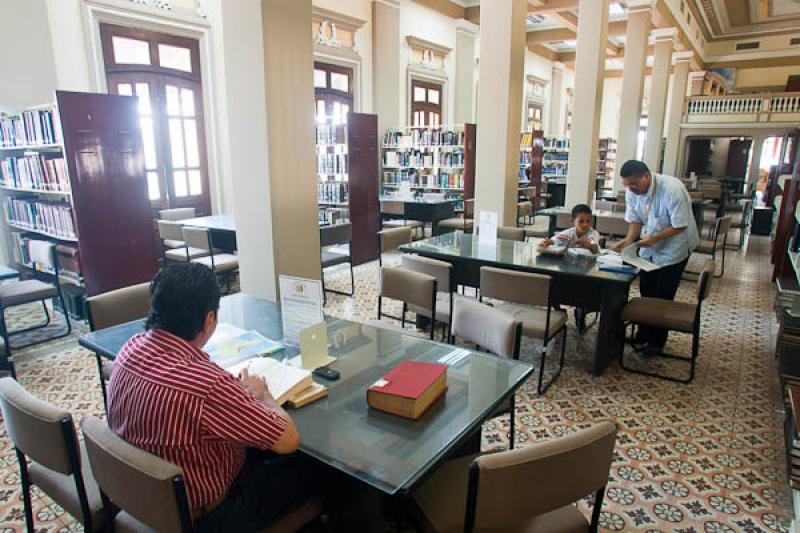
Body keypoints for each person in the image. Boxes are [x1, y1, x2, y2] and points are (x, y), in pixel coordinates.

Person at [106, 263, 315, 532]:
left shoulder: (130, 349)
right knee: (314, 469)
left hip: (144, 498)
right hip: (208, 516)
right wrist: (264, 396)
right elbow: (288, 440)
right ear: (209, 319)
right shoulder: (207, 386)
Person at [611, 160, 699, 355]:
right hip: (650, 246)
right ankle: (643, 335)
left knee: (663, 295)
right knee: (646, 290)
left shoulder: (672, 189)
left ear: (646, 176)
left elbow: (680, 224)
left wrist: (655, 238)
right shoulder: (632, 191)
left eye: (634, 184)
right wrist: (627, 240)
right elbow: (634, 219)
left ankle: (657, 343)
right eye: (626, 185)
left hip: (675, 248)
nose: (630, 189)